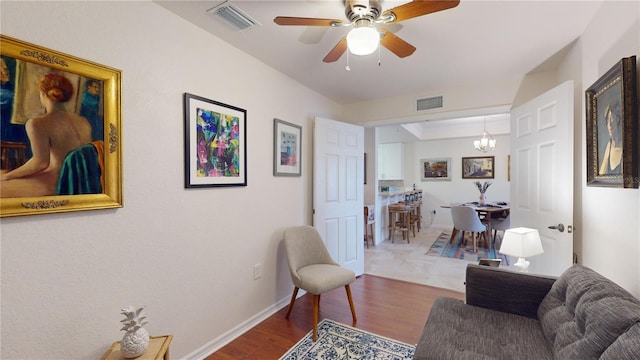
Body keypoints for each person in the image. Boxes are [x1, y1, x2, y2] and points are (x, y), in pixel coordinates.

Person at [0, 73, 92, 197]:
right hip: (84, 181)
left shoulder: (37, 123)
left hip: (59, 182)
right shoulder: (83, 121)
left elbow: (40, 163)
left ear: (43, 94)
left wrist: (7, 176)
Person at [598, 100, 622, 175]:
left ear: (618, 119)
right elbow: (601, 174)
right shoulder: (609, 145)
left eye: (612, 118)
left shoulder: (625, 147)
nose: (609, 124)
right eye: (607, 120)